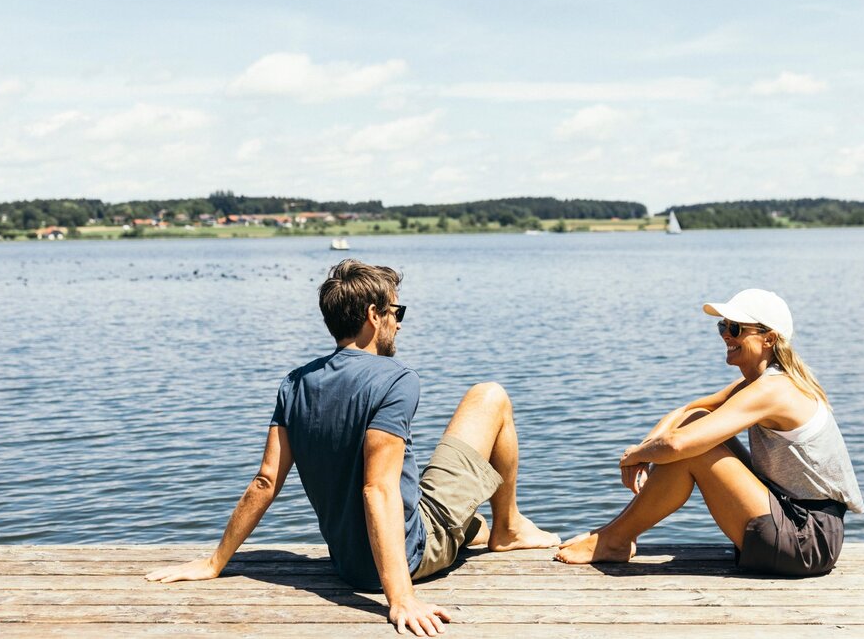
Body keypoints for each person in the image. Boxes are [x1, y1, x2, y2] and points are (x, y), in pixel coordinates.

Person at [145, 259, 558, 636]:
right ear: (372, 316)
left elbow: (265, 481)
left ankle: (482, 530)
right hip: (401, 562)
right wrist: (401, 600)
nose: (398, 323)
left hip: (348, 564)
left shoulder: (295, 383)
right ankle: (508, 528)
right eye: (396, 312)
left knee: (466, 524)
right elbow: (377, 489)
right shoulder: (395, 379)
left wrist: (215, 562)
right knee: (490, 396)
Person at [554, 288, 864, 576]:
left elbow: (677, 446)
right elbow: (687, 412)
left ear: (769, 339)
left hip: (807, 539)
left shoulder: (774, 390)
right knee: (700, 421)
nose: (726, 336)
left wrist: (633, 455)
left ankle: (613, 539)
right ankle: (613, 535)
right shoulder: (760, 384)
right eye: (723, 327)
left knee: (693, 452)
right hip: (794, 521)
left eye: (736, 329)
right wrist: (645, 449)